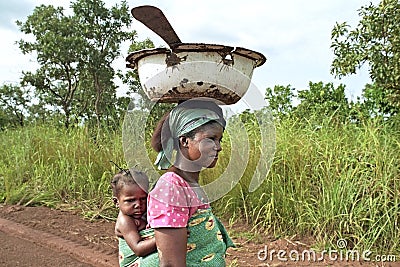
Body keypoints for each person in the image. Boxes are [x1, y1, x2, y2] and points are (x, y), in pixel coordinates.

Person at [147, 99, 235, 267]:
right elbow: (171, 264)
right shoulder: (172, 187)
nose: (218, 147)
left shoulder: (190, 185)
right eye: (211, 139)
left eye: (219, 139)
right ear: (185, 141)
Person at [110, 167, 158, 267]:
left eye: (143, 199)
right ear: (116, 202)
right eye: (130, 200)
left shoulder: (146, 212)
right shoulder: (125, 220)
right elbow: (139, 249)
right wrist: (164, 238)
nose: (138, 205)